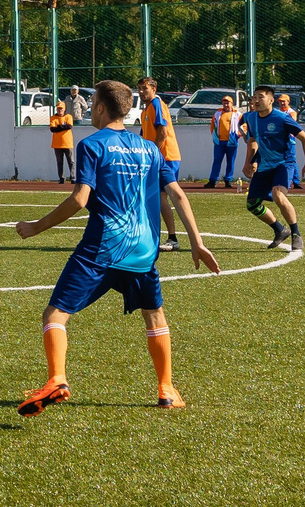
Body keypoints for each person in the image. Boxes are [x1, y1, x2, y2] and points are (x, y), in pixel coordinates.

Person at [13, 79, 220, 416]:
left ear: (98, 107)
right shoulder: (149, 148)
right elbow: (178, 194)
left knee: (55, 315)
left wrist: (37, 227)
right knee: (154, 317)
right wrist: (197, 243)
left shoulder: (93, 144)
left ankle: (57, 379)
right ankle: (167, 389)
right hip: (142, 248)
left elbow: (80, 199)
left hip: (103, 246)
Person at [238, 86, 305, 253]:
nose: (256, 100)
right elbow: (252, 140)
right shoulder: (251, 118)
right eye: (254, 97)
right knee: (252, 204)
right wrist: (248, 162)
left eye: (260, 97)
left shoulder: (282, 118)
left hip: (284, 163)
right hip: (265, 165)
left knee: (278, 195)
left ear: (271, 100)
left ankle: (296, 234)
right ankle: (279, 229)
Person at [135, 76, 183, 251]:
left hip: (166, 157)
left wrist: (152, 156)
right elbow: (144, 137)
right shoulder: (145, 110)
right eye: (139, 89)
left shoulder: (156, 105)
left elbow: (162, 134)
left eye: (145, 89)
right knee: (153, 197)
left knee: (162, 197)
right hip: (157, 158)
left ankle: (172, 238)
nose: (141, 92)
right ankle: (158, 236)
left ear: (154, 89)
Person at [207, 95, 240, 188]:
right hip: (219, 142)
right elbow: (213, 125)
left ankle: (228, 180)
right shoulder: (217, 114)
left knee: (231, 161)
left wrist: (238, 135)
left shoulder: (237, 114)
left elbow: (244, 126)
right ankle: (213, 180)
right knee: (217, 160)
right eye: (224, 103)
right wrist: (214, 136)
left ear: (232, 104)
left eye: (227, 103)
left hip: (232, 142)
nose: (226, 105)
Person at [48, 98, 75, 183]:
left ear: (64, 109)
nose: (60, 110)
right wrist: (62, 127)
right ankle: (61, 178)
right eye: (58, 108)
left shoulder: (68, 116)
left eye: (61, 108)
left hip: (67, 143)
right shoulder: (53, 117)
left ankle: (73, 177)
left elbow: (69, 126)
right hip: (57, 144)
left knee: (71, 161)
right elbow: (52, 129)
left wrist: (59, 127)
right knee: (60, 162)